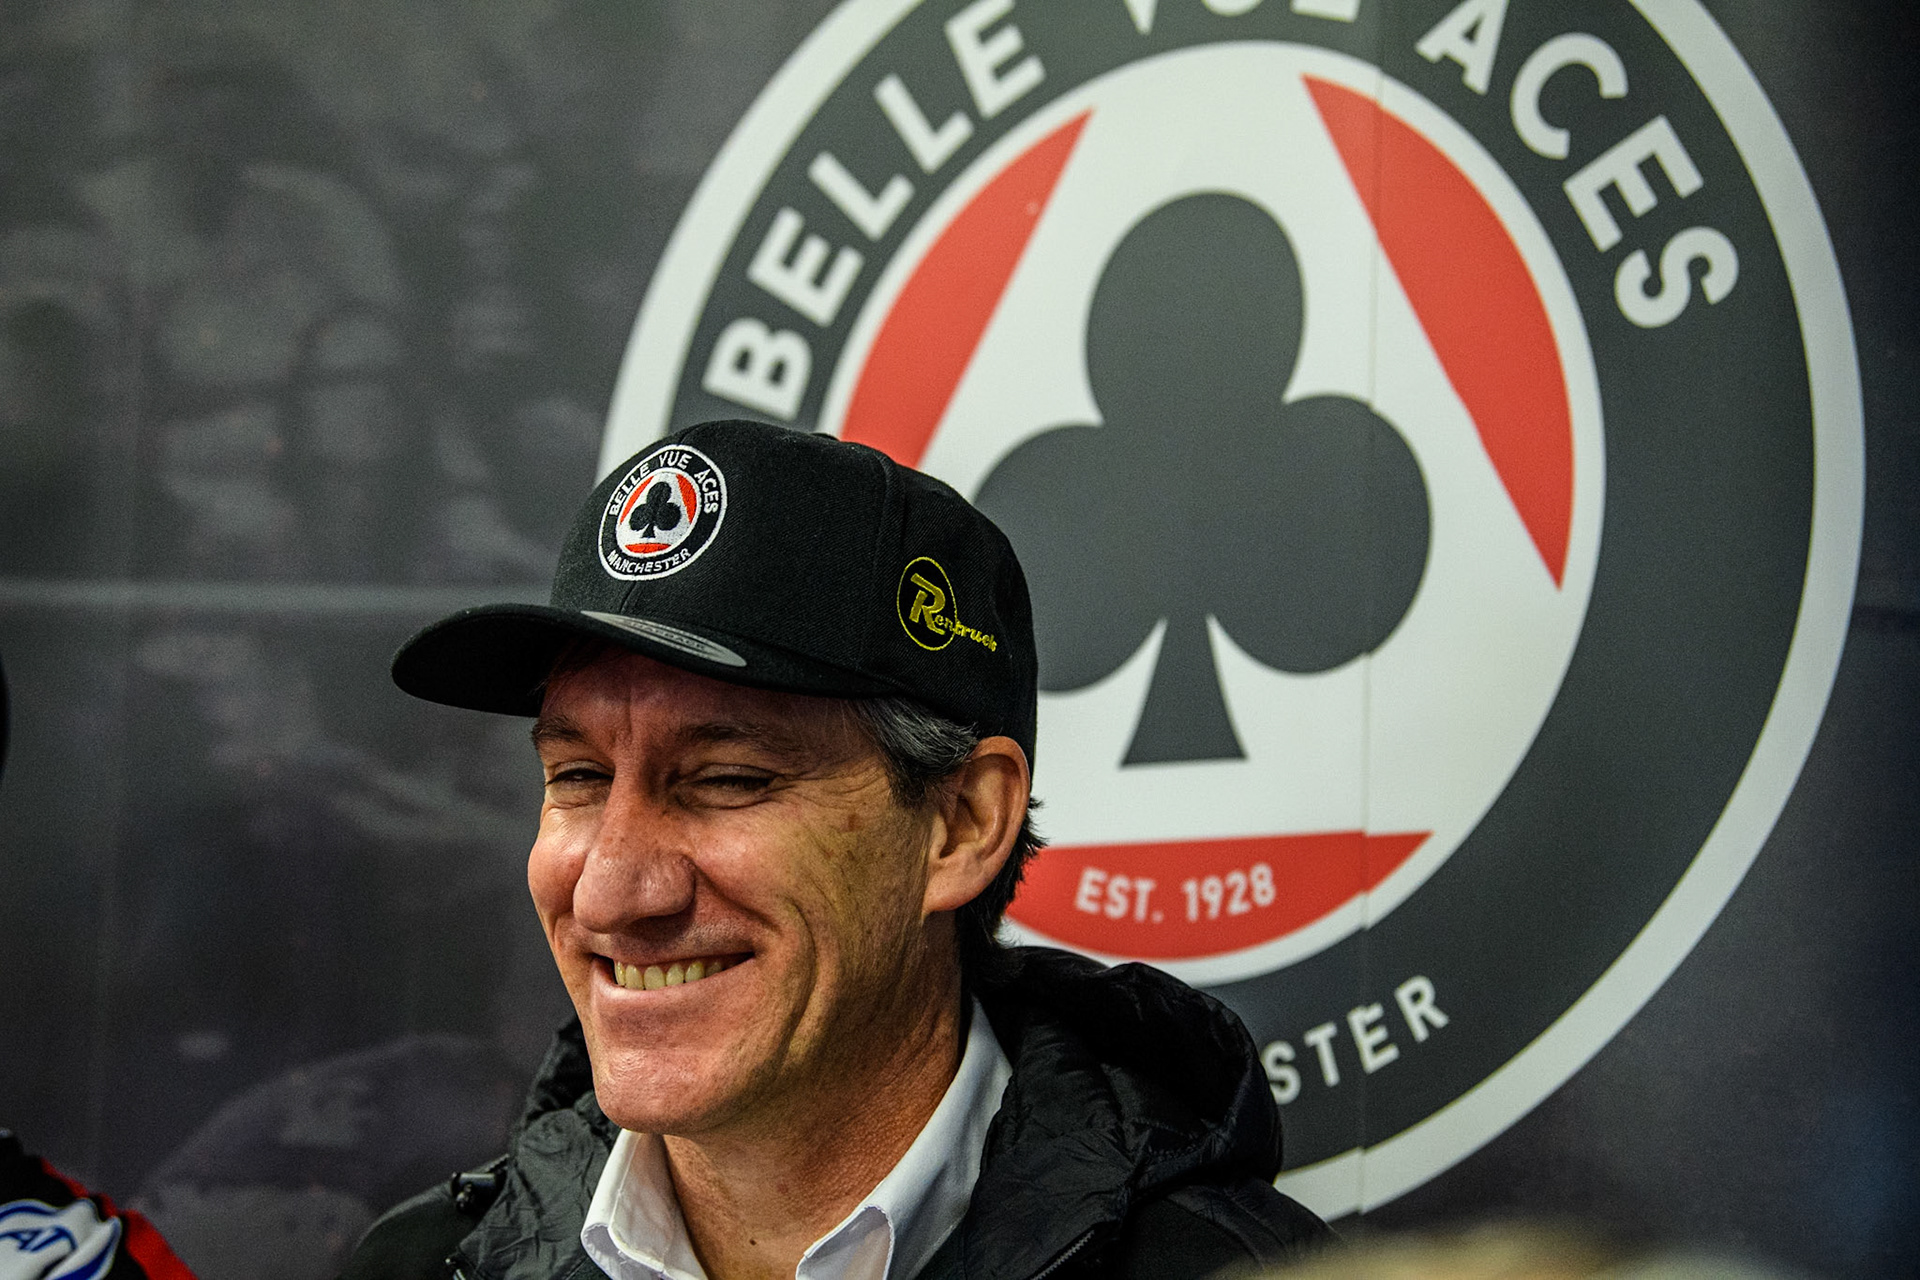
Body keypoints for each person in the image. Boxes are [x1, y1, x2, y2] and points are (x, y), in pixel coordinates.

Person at [342, 420, 1331, 1279]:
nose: (610, 890)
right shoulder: (419, 1263)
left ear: (962, 823)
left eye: (726, 779)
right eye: (578, 778)